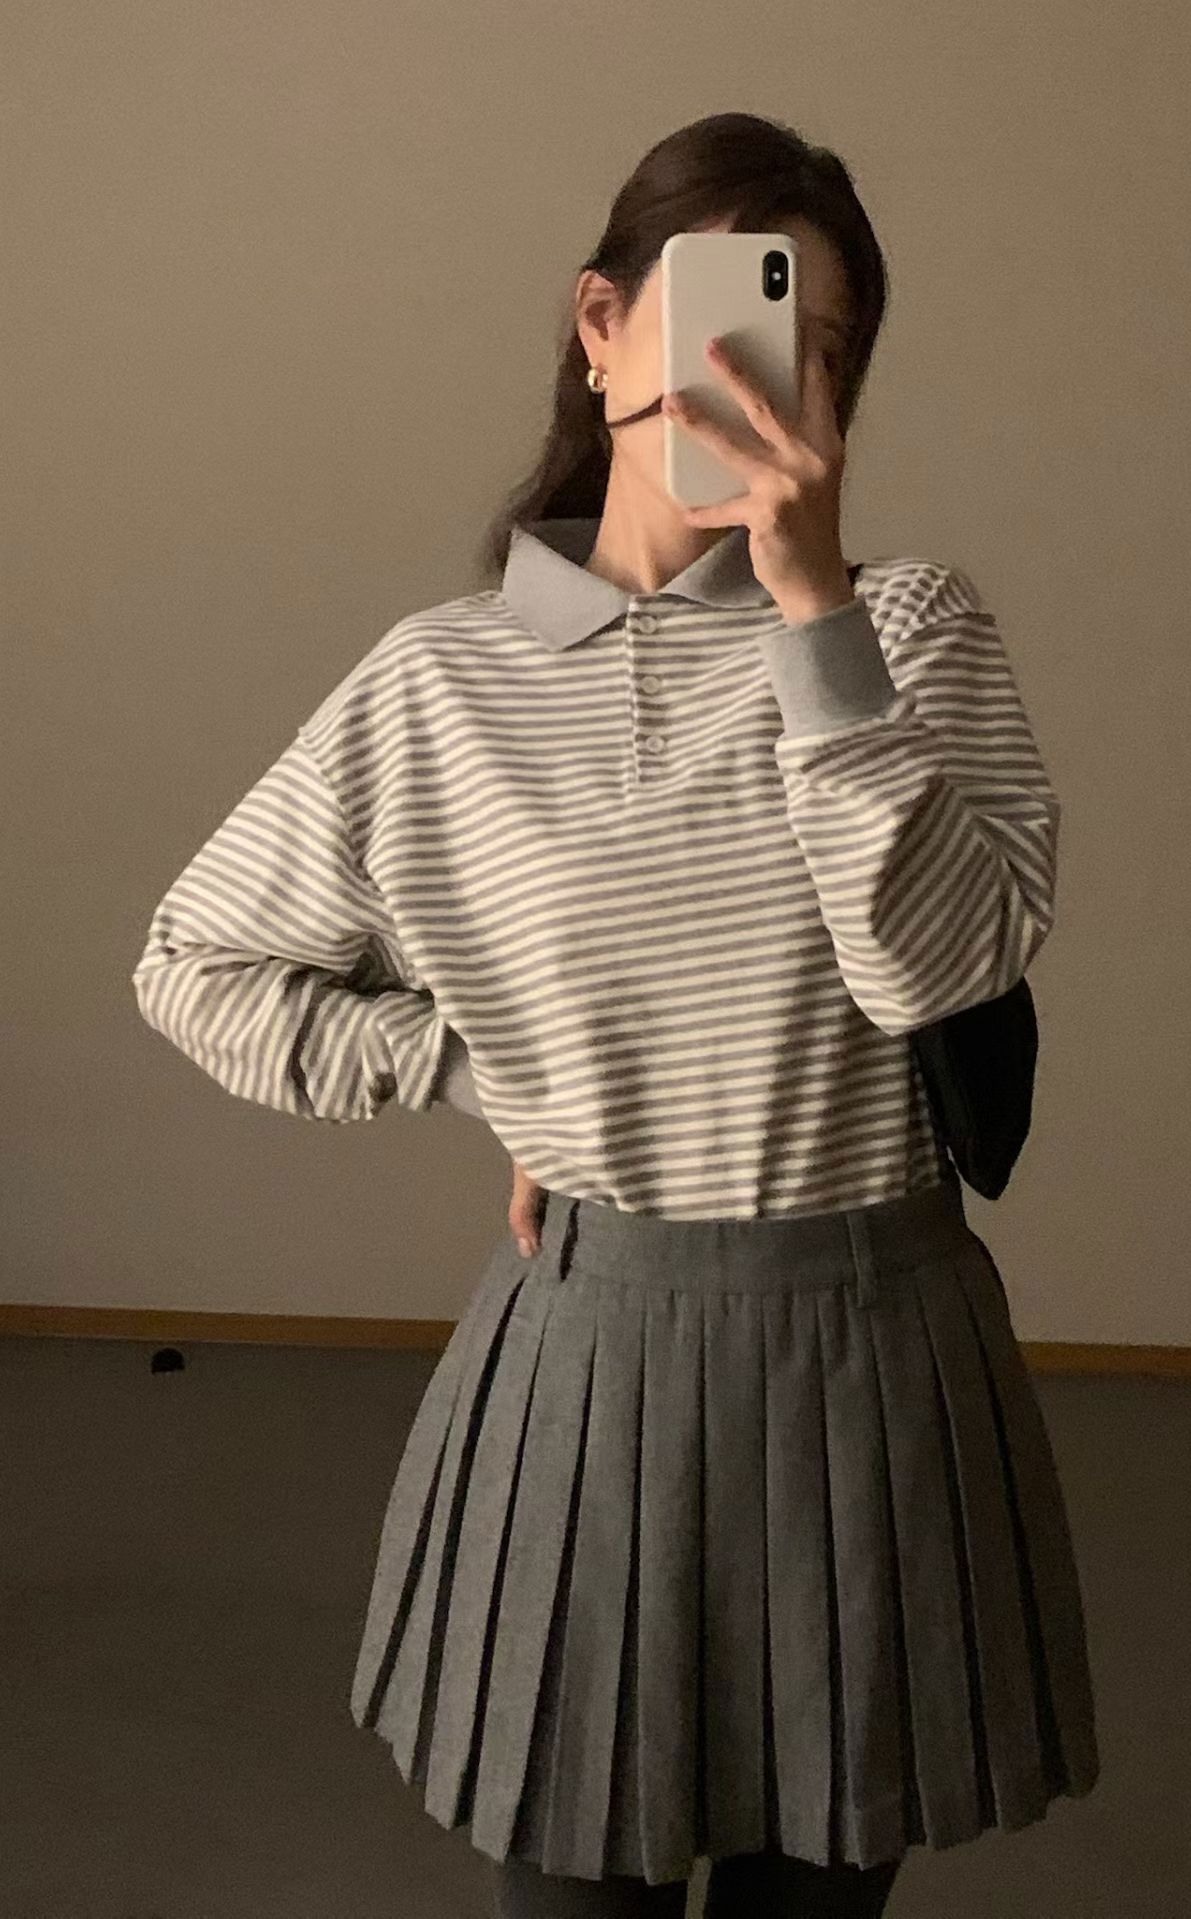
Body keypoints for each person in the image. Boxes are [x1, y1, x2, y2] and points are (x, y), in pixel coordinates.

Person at [131, 111, 1099, 1918]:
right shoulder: (441, 679)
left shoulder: (909, 629)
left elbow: (939, 969)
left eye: (820, 350)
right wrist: (470, 1068)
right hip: (587, 1359)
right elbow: (193, 961)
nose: (774, 379)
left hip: (875, 1349)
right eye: (737, 319)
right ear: (600, 326)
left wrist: (812, 615)